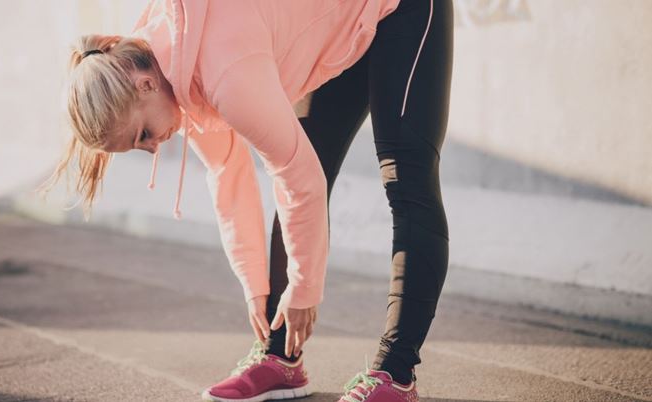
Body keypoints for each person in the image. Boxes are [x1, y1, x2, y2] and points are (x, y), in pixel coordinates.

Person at [40, 0, 453, 401]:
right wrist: (254, 283)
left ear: (143, 85)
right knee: (302, 160)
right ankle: (280, 359)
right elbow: (227, 173)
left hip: (405, 9)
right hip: (343, 21)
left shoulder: (223, 70)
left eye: (142, 135)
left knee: (404, 176)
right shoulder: (170, 64)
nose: (151, 149)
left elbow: (298, 177)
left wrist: (304, 288)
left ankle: (395, 374)